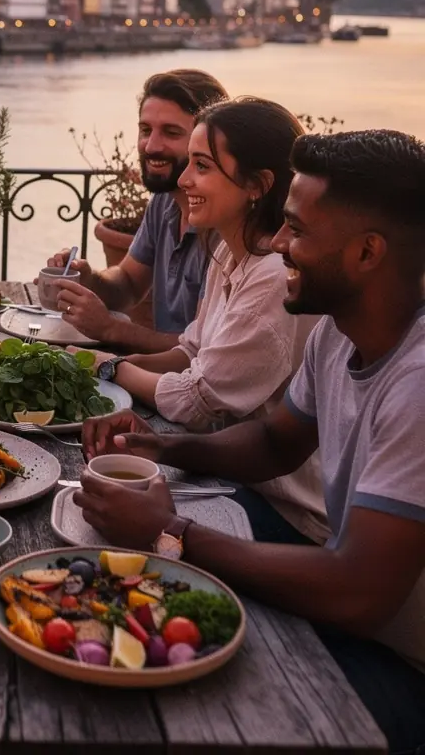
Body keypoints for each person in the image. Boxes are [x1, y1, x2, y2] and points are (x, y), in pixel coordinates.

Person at [77, 129, 425, 753]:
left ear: (368, 252)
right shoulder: (338, 332)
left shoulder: (417, 382)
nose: (279, 244)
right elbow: (273, 442)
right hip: (339, 612)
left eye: (297, 230)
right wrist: (161, 447)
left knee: (154, 704)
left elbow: (359, 592)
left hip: (393, 662)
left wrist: (170, 534)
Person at [82, 98, 328, 543]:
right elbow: (191, 351)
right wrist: (103, 358)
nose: (183, 178)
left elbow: (195, 401)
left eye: (202, 165)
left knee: (104, 517)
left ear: (257, 184)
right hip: (231, 475)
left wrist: (112, 367)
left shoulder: (272, 275)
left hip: (286, 510)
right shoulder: (228, 252)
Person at [47, 69, 228, 353]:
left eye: (171, 132)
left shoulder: (228, 227)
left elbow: (205, 352)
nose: (151, 146)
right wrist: (88, 279)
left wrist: (110, 328)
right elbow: (129, 283)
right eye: (145, 130)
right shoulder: (165, 202)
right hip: (161, 379)